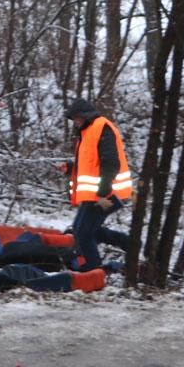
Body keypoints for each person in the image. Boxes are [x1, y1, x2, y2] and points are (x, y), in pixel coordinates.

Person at [59, 98, 133, 271]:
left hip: (107, 194)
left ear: (84, 115)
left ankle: (93, 271)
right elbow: (91, 164)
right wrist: (70, 168)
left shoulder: (102, 128)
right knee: (82, 230)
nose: (75, 123)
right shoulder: (87, 132)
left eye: (76, 118)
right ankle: (132, 245)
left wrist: (103, 191)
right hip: (97, 194)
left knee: (83, 232)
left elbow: (111, 163)